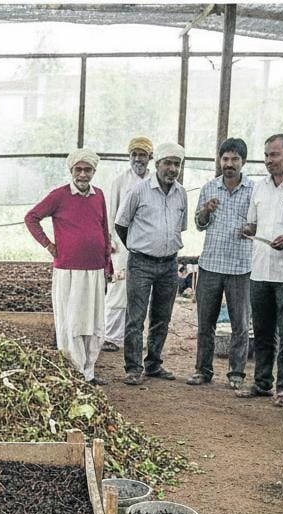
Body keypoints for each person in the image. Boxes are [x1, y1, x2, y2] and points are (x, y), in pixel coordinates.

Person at [24, 149, 113, 385]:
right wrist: (49, 245)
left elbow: (104, 229)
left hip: (94, 270)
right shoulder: (59, 196)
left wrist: (107, 263)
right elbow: (31, 217)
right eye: (78, 169)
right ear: (71, 171)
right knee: (72, 320)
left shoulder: (99, 196)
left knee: (93, 321)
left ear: (94, 171)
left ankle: (89, 371)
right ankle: (74, 372)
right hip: (69, 270)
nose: (83, 174)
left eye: (88, 170)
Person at [236, 133, 283, 407]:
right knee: (263, 331)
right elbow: (253, 223)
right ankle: (262, 382)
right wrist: (248, 230)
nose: (269, 160)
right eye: (266, 155)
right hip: (260, 270)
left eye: (275, 154)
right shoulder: (261, 187)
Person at [114, 142, 188, 385]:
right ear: (157, 165)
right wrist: (138, 248)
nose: (172, 169)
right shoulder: (139, 190)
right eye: (168, 163)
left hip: (168, 264)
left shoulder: (181, 193)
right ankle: (133, 368)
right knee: (135, 317)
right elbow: (121, 224)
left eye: (177, 164)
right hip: (141, 263)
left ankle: (154, 364)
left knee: (162, 317)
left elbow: (181, 226)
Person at [189, 137, 254, 389]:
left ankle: (236, 373)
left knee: (240, 323)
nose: (229, 163)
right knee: (206, 322)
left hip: (240, 266)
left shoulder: (253, 190)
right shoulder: (209, 188)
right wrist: (206, 210)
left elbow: (260, 224)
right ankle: (202, 370)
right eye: (225, 159)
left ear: (243, 162)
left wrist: (251, 227)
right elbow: (199, 223)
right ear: (219, 160)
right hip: (210, 266)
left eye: (234, 159)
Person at [102, 136, 153, 352]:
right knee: (118, 288)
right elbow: (110, 214)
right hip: (122, 245)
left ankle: (137, 338)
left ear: (150, 157)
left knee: (143, 292)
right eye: (134, 155)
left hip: (149, 246)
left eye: (142, 155)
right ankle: (112, 337)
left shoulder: (156, 180)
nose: (138, 159)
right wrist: (111, 241)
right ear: (129, 157)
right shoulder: (120, 181)